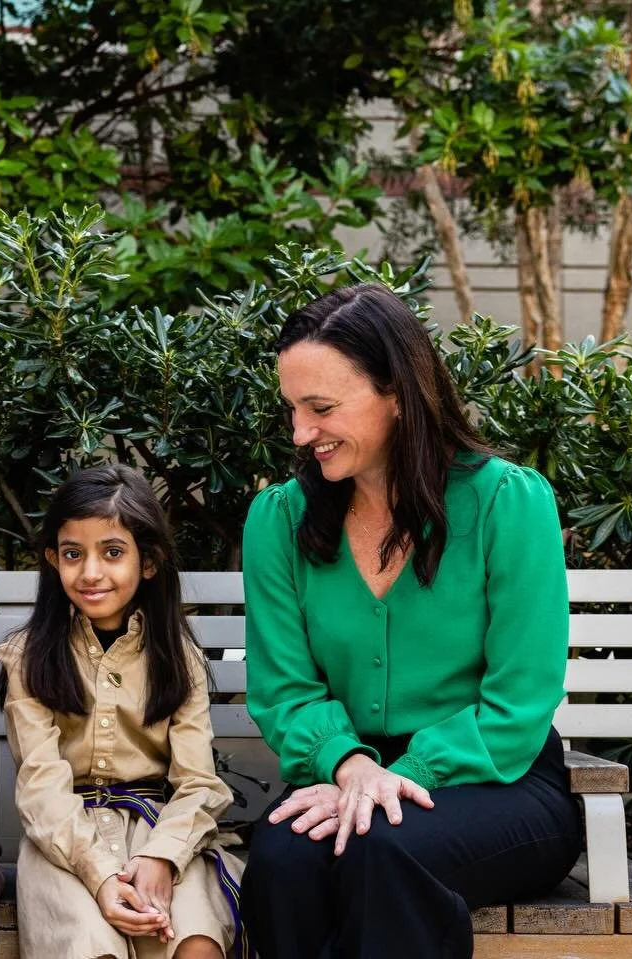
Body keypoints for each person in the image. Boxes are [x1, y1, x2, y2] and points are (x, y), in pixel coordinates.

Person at [239, 283, 582, 959]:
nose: (301, 434)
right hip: (341, 771)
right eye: (292, 410)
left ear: (396, 391)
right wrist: (351, 765)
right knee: (281, 864)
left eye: (322, 408)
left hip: (501, 782)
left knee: (386, 850)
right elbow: (285, 691)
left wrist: (407, 771)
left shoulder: (508, 505)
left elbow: (520, 701)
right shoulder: (278, 520)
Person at [0, 464, 243, 959]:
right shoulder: (30, 657)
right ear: (52, 560)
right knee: (93, 947)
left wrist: (162, 858)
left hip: (163, 831)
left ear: (147, 562)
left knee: (192, 943)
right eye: (72, 554)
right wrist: (102, 874)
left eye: (112, 552)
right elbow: (41, 788)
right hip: (66, 841)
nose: (90, 572)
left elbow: (198, 782)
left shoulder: (178, 657)